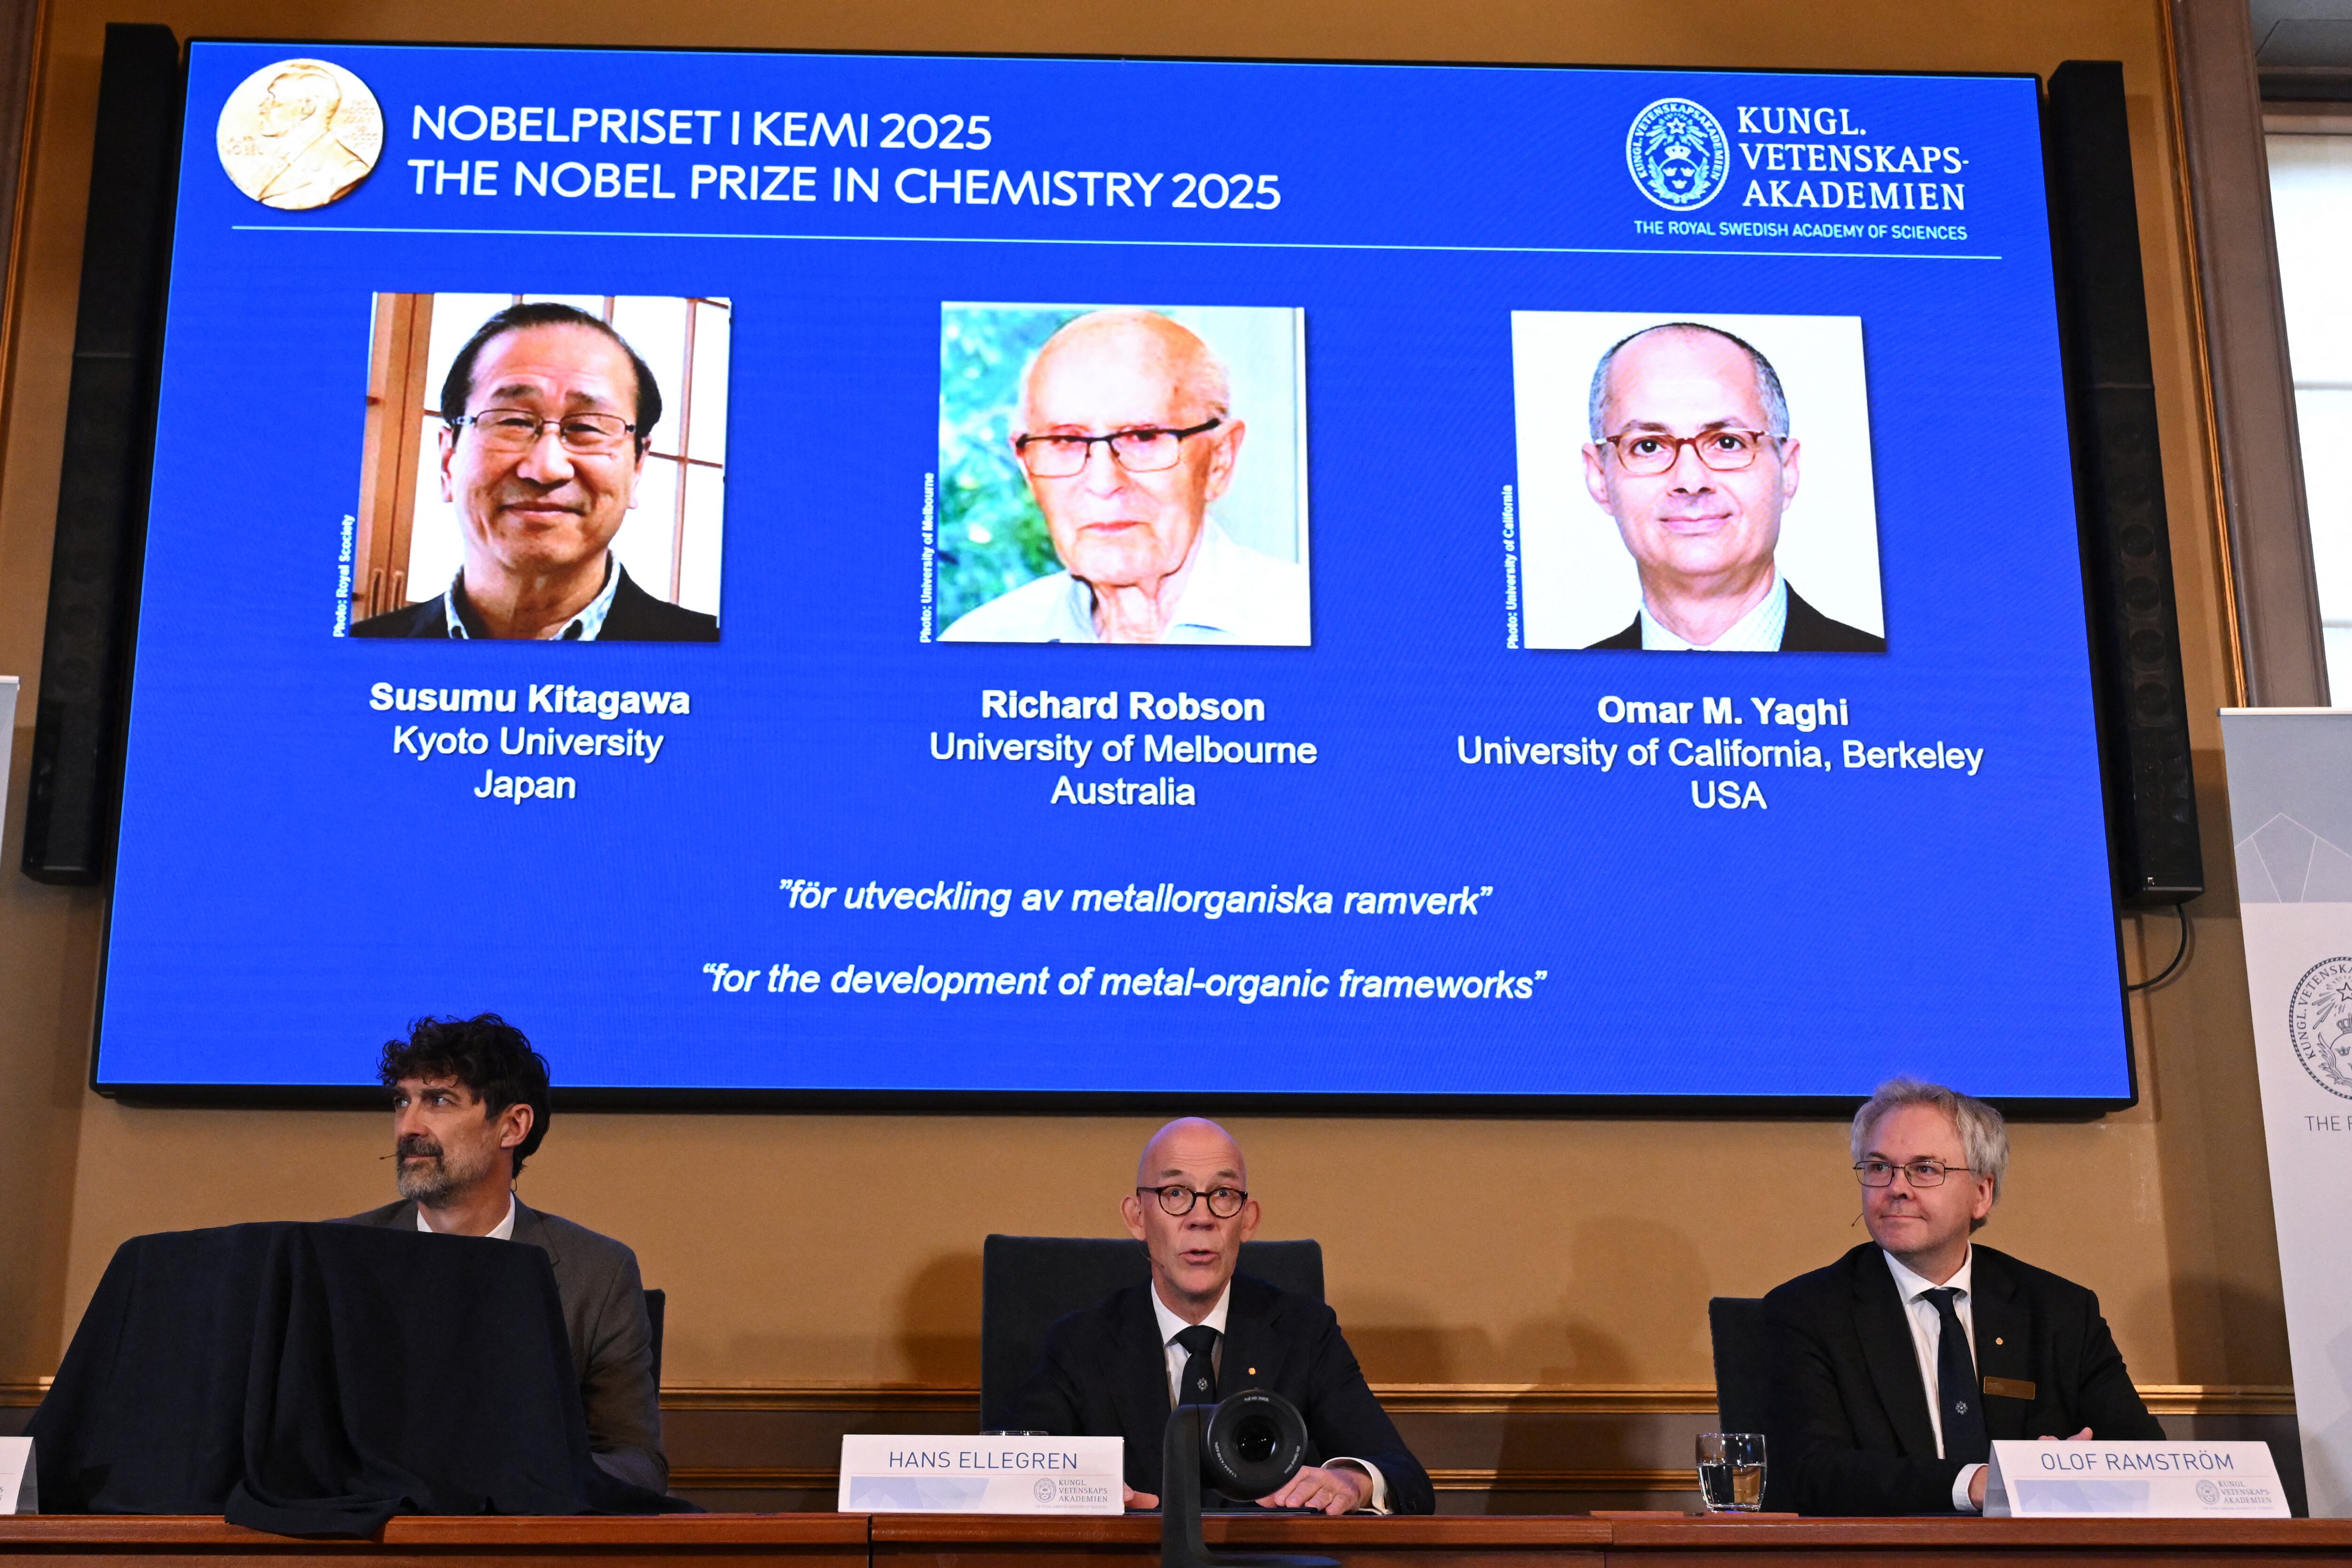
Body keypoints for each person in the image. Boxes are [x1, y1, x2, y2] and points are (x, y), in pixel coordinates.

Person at [1761, 1077, 2162, 1515]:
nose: (1896, 1187)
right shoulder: (1808, 1311)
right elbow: (1812, 1473)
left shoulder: (2060, 1311)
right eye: (1878, 1167)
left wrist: (2084, 1467)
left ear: (1981, 1194)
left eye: (1925, 1169)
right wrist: (1974, 1483)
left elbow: (2142, 1454)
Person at [1003, 1117, 1431, 1514]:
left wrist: (1354, 1482)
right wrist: (1077, 1490)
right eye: (1175, 1194)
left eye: (1223, 1194)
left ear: (1248, 1220)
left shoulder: (1305, 1333)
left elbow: (1403, 1476)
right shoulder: (1080, 1343)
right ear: (1137, 1216)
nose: (1201, 1218)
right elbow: (1011, 1471)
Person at [340, 1014, 669, 1494]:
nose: (408, 1126)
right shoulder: (339, 1255)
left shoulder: (598, 1273)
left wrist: (536, 1478)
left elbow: (638, 1460)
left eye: (438, 1101)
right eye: (402, 1102)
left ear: (513, 1126)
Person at [350, 302, 719, 642]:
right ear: (448, 458)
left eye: (587, 427)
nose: (546, 468)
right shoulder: (361, 652)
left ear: (638, 465)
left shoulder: (716, 655)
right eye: (513, 422)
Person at [940, 309, 1310, 645]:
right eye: (1066, 441)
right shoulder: (978, 644)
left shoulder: (1309, 629)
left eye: (1143, 437)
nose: (1104, 483)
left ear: (1219, 460)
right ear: (1027, 466)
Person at [1580, 322, 1883, 652]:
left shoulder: (1891, 672)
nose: (1691, 482)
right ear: (1599, 477)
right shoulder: (1560, 681)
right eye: (1648, 446)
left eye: (1727, 442)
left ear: (1788, 470)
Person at [247, 64, 376, 210]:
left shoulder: (348, 174)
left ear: (307, 109)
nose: (263, 107)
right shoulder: (277, 161)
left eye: (275, 100)